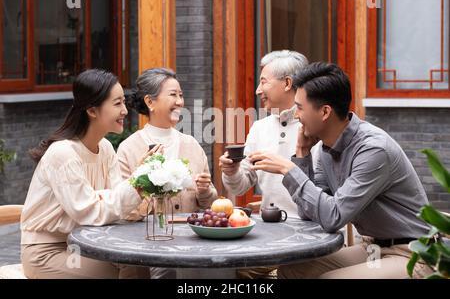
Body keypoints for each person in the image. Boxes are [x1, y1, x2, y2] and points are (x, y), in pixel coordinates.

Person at [249, 62, 433, 279]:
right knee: (293, 270)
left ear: (325, 111)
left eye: (299, 107)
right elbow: (311, 213)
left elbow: (333, 217)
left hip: (413, 254)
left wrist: (288, 169)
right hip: (373, 248)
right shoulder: (326, 148)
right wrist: (302, 155)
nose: (296, 115)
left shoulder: (373, 150)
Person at [21, 69, 151, 279]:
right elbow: (89, 211)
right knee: (110, 272)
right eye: (117, 103)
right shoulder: (63, 153)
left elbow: (118, 204)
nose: (125, 111)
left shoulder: (106, 148)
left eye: (124, 103)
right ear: (92, 111)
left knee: (138, 263)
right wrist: (134, 184)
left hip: (88, 243)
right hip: (47, 252)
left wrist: (139, 187)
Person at [219, 50, 318, 220]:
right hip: (271, 225)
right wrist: (232, 171)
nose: (258, 91)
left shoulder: (317, 125)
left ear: (287, 83)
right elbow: (239, 187)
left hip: (312, 226)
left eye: (263, 82)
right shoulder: (260, 127)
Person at [117, 68, 218, 220]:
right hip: (146, 240)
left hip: (188, 241)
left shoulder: (192, 145)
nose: (180, 101)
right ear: (150, 101)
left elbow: (211, 204)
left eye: (181, 95)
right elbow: (122, 208)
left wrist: (205, 192)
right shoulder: (128, 149)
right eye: (173, 95)